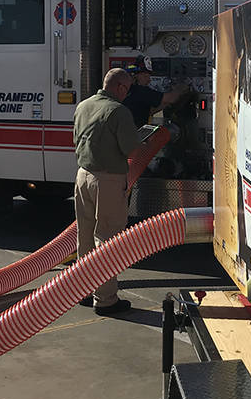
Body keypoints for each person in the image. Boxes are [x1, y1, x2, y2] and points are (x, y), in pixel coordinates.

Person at [73, 67, 143, 315]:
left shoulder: (83, 106)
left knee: (85, 235)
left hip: (82, 177)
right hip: (109, 180)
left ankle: (82, 290)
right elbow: (131, 150)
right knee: (108, 239)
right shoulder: (119, 111)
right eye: (128, 89)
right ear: (121, 88)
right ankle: (105, 300)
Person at [121, 55, 188, 127]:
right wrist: (181, 87)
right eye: (146, 76)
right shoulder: (141, 91)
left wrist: (164, 104)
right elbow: (171, 98)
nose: (149, 80)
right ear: (135, 76)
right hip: (136, 134)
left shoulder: (126, 91)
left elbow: (147, 111)